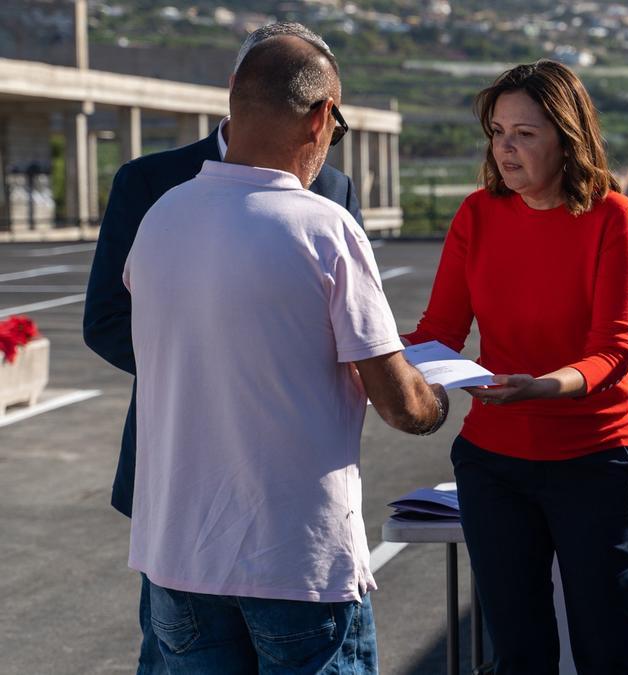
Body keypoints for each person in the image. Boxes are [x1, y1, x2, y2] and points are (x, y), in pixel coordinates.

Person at [123, 34, 447, 673]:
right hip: (296, 561)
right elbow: (398, 403)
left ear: (233, 100)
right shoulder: (324, 227)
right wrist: (434, 399)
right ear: (322, 115)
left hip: (178, 557)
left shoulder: (161, 216)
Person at [81, 22, 361, 672]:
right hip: (183, 477)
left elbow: (343, 323)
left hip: (292, 486)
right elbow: (104, 317)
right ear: (239, 90)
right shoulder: (148, 180)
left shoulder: (334, 188)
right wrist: (214, 360)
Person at [402, 60, 628, 674]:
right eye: (497, 132)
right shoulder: (476, 215)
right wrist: (364, 351)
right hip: (495, 467)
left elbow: (615, 349)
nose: (505, 149)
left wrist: (546, 387)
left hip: (596, 462)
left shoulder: (612, 215)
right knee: (519, 655)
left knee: (608, 651)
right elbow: (438, 335)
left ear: (568, 139)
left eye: (524, 134)